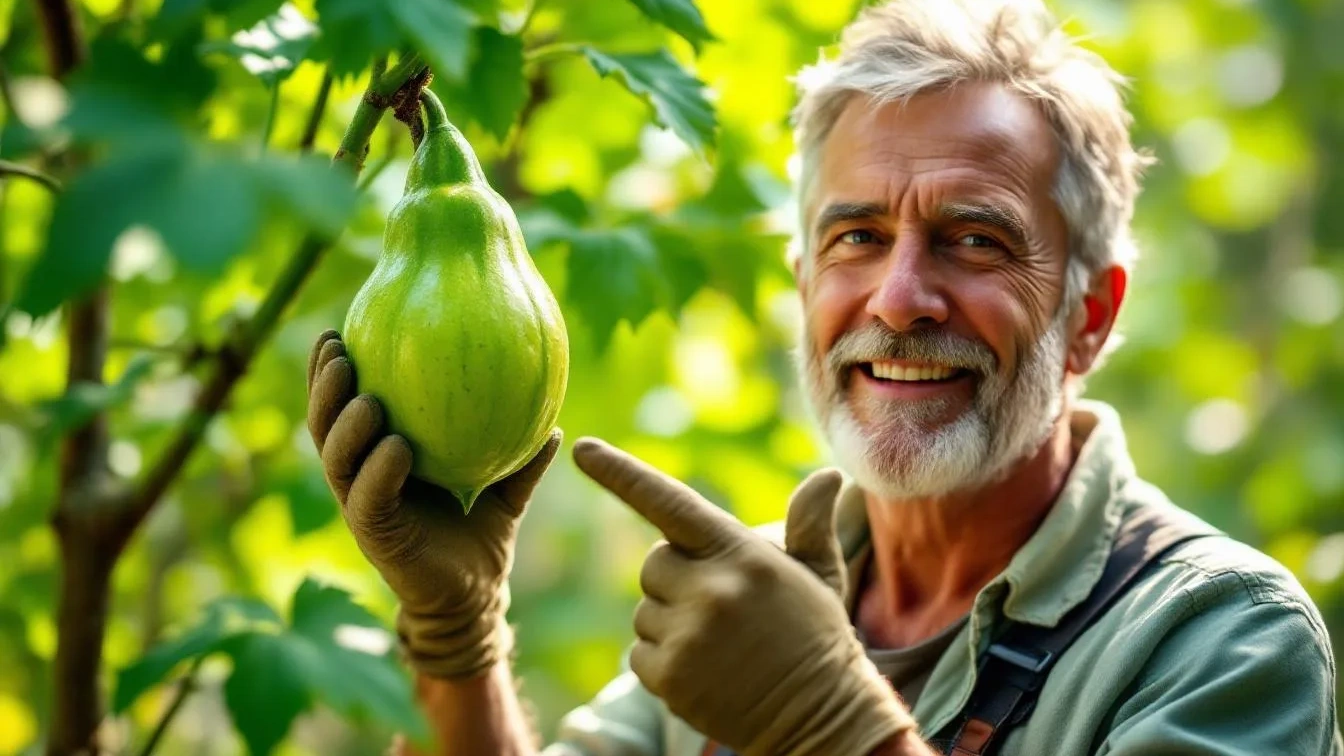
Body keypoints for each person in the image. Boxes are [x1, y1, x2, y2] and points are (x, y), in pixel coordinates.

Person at [303, 0, 1342, 754]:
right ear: (805, 284)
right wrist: (458, 638)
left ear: (1091, 317)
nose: (899, 298)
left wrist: (836, 727)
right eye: (857, 236)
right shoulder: (745, 600)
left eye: (974, 240)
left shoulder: (1218, 637)